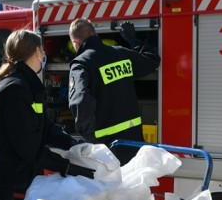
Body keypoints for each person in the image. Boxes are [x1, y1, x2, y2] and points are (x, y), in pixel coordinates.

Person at [0, 29, 91, 200]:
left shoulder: (22, 83)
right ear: (36, 51)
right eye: (41, 50)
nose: (43, 55)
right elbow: (27, 146)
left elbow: (42, 125)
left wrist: (71, 143)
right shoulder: (16, 89)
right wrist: (67, 166)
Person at [68, 18, 161, 164]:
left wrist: (89, 139)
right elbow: (152, 60)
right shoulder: (121, 54)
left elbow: (79, 100)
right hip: (135, 144)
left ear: (76, 43)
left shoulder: (81, 63)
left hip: (107, 150)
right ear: (95, 34)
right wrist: (133, 39)